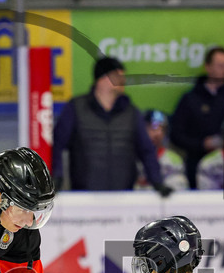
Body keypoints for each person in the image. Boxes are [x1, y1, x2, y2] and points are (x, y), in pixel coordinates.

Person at [52, 56, 170, 194]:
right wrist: (56, 177)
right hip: (85, 194)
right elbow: (57, 144)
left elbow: (146, 150)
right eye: (117, 76)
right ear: (102, 78)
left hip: (123, 194)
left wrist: (157, 182)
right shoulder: (76, 108)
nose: (123, 80)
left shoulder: (131, 112)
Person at [170, 46, 224, 188]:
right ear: (207, 67)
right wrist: (202, 144)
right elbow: (175, 135)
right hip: (197, 166)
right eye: (220, 65)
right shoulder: (190, 100)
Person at [140, 110, 189, 191]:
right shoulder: (132, 157)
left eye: (162, 129)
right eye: (153, 128)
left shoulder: (174, 160)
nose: (158, 133)